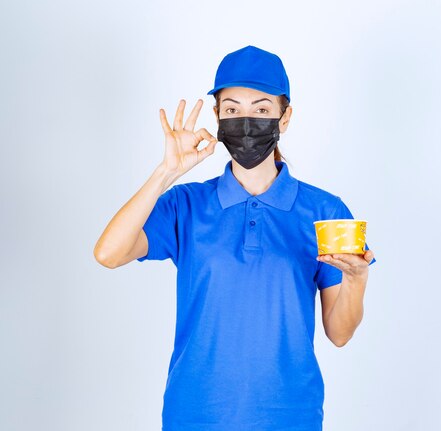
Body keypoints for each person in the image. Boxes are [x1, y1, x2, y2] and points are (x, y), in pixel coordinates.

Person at [94, 45, 377, 431]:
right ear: (217, 117)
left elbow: (340, 333)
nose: (246, 120)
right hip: (195, 414)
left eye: (261, 109)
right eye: (232, 109)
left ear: (285, 116)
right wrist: (166, 171)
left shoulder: (325, 212)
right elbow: (108, 253)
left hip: (289, 416)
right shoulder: (186, 205)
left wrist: (358, 281)